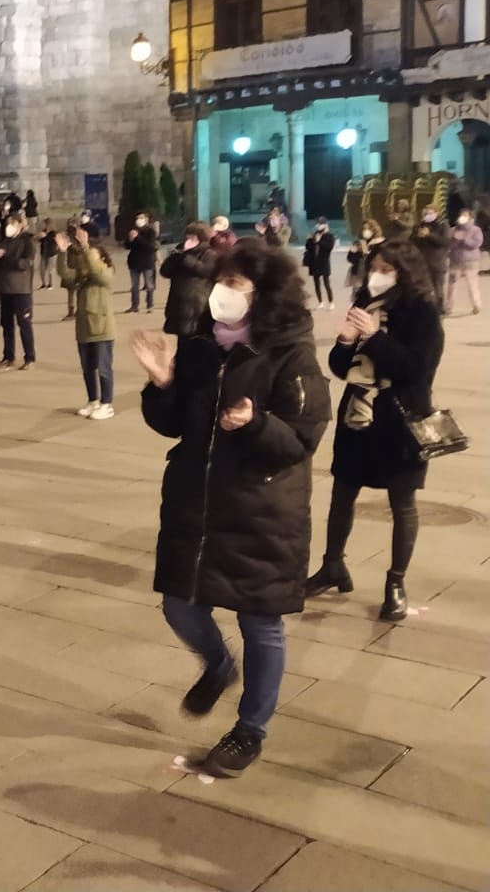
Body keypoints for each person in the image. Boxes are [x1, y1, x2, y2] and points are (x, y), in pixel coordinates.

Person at [131, 241, 329, 777]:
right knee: (179, 604)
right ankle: (219, 664)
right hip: (197, 503)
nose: (224, 294)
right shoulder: (199, 347)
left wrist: (257, 422)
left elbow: (302, 437)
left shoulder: (290, 353)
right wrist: (162, 382)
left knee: (260, 623)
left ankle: (250, 730)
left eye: (237, 286)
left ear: (263, 295)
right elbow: (172, 424)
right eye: (223, 283)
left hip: (263, 508)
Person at [308, 241, 444, 622]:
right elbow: (341, 366)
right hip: (358, 416)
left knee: (402, 503)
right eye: (374, 267)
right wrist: (346, 341)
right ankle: (333, 565)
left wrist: (374, 338)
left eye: (387, 268)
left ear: (405, 272)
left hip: (401, 420)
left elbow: (416, 368)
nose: (377, 274)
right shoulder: (365, 304)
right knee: (342, 491)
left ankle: (396, 582)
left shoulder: (423, 314)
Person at [57, 223, 116, 419]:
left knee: (103, 368)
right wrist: (62, 252)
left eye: (92, 255)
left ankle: (107, 403)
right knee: (88, 368)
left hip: (102, 328)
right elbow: (65, 274)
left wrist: (86, 248)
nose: (87, 260)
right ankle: (93, 401)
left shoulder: (105, 273)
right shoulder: (83, 277)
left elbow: (97, 271)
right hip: (84, 328)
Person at [0, 213, 37, 371]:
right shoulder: (4, 241)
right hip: (4, 289)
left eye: (12, 224)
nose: (9, 227)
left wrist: (6, 258)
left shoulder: (27, 241)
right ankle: (8, 356)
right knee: (7, 325)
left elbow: (25, 263)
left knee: (25, 324)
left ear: (20, 224)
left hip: (21, 290)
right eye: (7, 224)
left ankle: (29, 357)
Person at [160, 224, 214, 339]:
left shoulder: (209, 253)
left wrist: (187, 260)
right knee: (182, 343)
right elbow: (165, 272)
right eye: (187, 238)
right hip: (178, 304)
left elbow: (207, 271)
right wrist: (172, 259)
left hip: (197, 305)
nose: (188, 241)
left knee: (196, 342)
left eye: (193, 238)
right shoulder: (180, 252)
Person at [410, 207, 450, 305]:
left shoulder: (442, 225)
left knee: (438, 288)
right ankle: (426, 308)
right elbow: (411, 240)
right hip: (422, 263)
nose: (428, 215)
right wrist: (418, 236)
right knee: (423, 288)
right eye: (425, 213)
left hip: (437, 263)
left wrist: (429, 235)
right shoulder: (419, 226)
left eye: (430, 213)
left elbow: (444, 242)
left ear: (437, 213)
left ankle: (439, 309)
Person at [447, 208, 483, 314]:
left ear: (471, 217)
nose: (462, 217)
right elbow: (448, 245)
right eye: (461, 215)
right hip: (455, 261)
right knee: (452, 286)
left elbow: (476, 244)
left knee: (472, 285)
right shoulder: (453, 230)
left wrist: (464, 239)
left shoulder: (476, 230)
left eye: (465, 215)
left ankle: (476, 305)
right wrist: (454, 240)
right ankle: (448, 306)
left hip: (470, 261)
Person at [123, 212, 159, 313]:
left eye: (141, 218)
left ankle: (149, 305)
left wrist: (138, 238)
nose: (139, 220)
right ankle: (134, 305)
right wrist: (130, 239)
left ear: (146, 220)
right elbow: (127, 246)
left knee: (149, 285)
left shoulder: (150, 232)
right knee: (134, 286)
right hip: (134, 262)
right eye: (137, 218)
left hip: (147, 262)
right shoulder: (133, 230)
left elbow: (150, 247)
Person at [302, 218, 336, 309]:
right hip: (314, 263)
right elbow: (308, 247)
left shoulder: (329, 236)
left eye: (319, 224)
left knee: (326, 283)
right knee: (316, 284)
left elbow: (329, 248)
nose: (317, 225)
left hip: (324, 262)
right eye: (317, 224)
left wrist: (319, 241)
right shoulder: (315, 234)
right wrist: (309, 239)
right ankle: (320, 302)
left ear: (325, 224)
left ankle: (331, 302)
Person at [346, 219, 383, 298]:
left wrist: (369, 254)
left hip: (373, 274)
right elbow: (350, 259)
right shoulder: (359, 242)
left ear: (374, 229)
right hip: (359, 275)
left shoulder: (380, 242)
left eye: (368, 228)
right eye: (364, 229)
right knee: (358, 297)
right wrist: (353, 252)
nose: (365, 231)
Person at [36, 218, 57, 290]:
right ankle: (43, 284)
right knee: (41, 269)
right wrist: (38, 237)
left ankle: (51, 284)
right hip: (44, 253)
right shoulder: (43, 231)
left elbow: (53, 241)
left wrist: (45, 236)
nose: (43, 225)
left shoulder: (53, 232)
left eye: (44, 224)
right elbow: (40, 240)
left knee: (50, 269)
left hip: (51, 253)